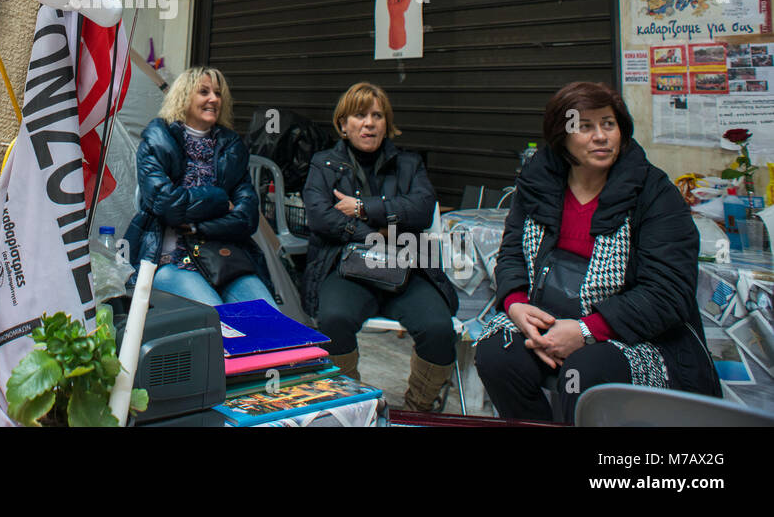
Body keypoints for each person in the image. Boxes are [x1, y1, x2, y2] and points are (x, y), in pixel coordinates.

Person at [474, 81, 721, 423]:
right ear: (562, 136)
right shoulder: (538, 183)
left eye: (609, 124)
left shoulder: (654, 193)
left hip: (634, 334)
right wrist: (516, 303)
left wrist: (587, 331)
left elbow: (668, 291)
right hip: (551, 316)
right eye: (585, 126)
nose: (602, 136)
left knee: (583, 373)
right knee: (495, 355)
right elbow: (512, 251)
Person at [302, 82, 459, 411]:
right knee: (334, 320)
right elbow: (319, 218)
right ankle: (351, 405)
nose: (369, 123)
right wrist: (377, 233)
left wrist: (362, 208)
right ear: (343, 124)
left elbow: (420, 208)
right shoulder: (323, 164)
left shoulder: (409, 163)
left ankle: (418, 408)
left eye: (377, 115)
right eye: (359, 115)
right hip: (346, 267)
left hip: (407, 266)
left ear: (387, 123)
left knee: (438, 328)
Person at [123, 67, 277, 308]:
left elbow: (246, 218)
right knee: (216, 320)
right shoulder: (158, 138)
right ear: (183, 96)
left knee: (269, 319)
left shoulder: (232, 146)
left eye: (218, 93)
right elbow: (166, 204)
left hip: (224, 258)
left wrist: (196, 225)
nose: (214, 99)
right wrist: (218, 200)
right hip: (169, 261)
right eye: (204, 92)